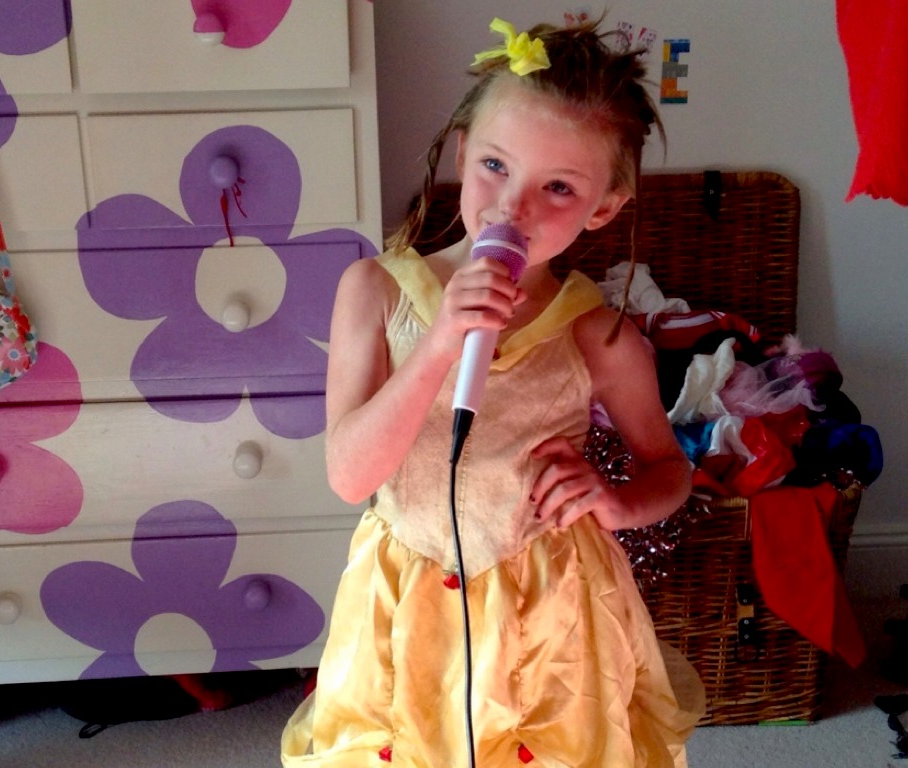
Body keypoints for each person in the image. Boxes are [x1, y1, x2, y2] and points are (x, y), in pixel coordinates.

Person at [282, 16, 704, 768]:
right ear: (462, 151)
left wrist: (616, 502)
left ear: (603, 208)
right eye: (495, 166)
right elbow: (349, 476)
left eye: (559, 187)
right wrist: (440, 341)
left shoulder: (600, 335)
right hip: (407, 598)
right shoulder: (374, 291)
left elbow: (671, 470)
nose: (514, 207)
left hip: (553, 611)